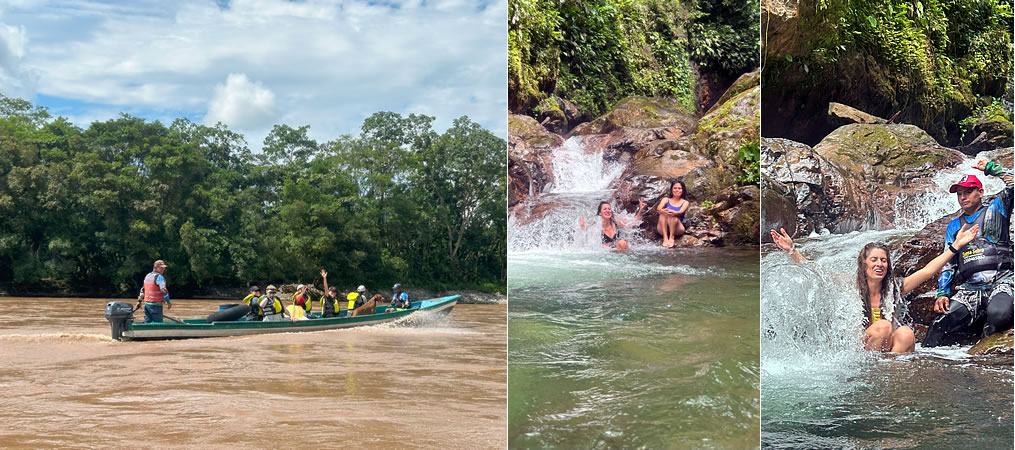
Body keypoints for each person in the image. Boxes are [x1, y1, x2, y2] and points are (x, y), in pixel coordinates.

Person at [771, 222, 979, 353]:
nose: (879, 264)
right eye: (874, 260)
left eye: (883, 260)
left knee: (905, 333)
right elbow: (817, 272)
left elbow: (926, 271)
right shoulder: (849, 284)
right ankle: (870, 374)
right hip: (857, 351)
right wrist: (792, 251)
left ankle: (891, 379)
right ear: (864, 264)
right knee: (884, 326)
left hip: (885, 348)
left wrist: (955, 247)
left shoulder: (895, 287)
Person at [924, 160, 1014, 346]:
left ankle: (987, 343)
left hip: (1002, 280)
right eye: (959, 194)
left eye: (968, 192)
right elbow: (948, 262)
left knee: (999, 315)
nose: (963, 197)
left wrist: (991, 168)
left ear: (980, 193)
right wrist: (942, 293)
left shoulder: (997, 209)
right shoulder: (954, 226)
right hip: (971, 289)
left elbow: (1013, 183)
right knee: (938, 325)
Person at [579, 200, 646, 251]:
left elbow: (633, 222)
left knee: (623, 243)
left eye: (609, 209)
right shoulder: (597, 226)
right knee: (622, 243)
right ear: (600, 213)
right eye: (605, 209)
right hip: (606, 253)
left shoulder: (616, 222)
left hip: (619, 250)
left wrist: (640, 209)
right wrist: (583, 227)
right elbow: (592, 243)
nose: (608, 210)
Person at [656, 180, 690, 248]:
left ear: (683, 190)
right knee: (662, 214)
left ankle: (671, 237)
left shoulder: (685, 202)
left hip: (677, 229)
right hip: (663, 228)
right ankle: (665, 238)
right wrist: (663, 211)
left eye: (679, 188)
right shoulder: (666, 199)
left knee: (672, 216)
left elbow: (680, 212)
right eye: (675, 188)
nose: (677, 190)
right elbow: (658, 208)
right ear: (672, 189)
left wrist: (673, 212)